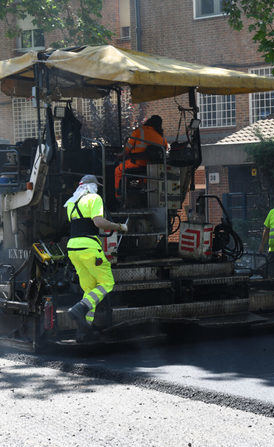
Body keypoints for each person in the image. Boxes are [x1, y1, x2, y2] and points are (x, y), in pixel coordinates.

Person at [66, 174, 128, 341]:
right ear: (91, 186)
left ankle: (83, 331)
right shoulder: (94, 198)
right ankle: (79, 308)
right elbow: (99, 222)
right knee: (107, 283)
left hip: (73, 249)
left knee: (89, 290)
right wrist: (119, 226)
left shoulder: (71, 203)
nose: (98, 188)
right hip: (89, 248)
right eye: (97, 186)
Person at [114, 115, 168, 199]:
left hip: (137, 163)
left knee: (118, 171)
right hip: (153, 168)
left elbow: (126, 150)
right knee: (146, 176)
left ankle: (118, 197)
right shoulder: (162, 138)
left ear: (149, 121)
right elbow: (165, 152)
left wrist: (119, 155)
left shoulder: (139, 131)